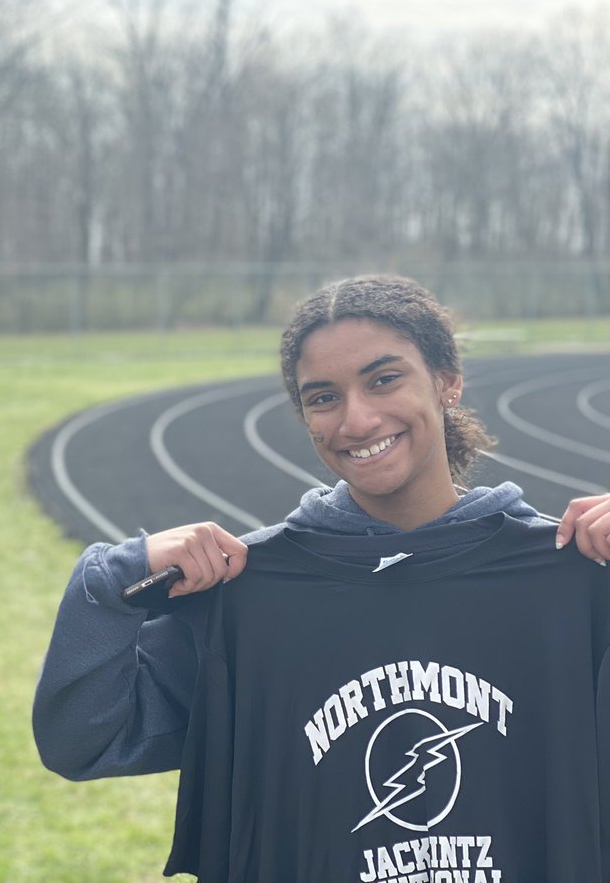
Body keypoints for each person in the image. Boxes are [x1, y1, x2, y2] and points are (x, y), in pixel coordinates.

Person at [33, 274, 610, 880]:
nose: (356, 420)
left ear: (447, 381)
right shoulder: (253, 598)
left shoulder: (571, 582)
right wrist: (113, 581)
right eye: (324, 397)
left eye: (384, 379)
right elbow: (84, 740)